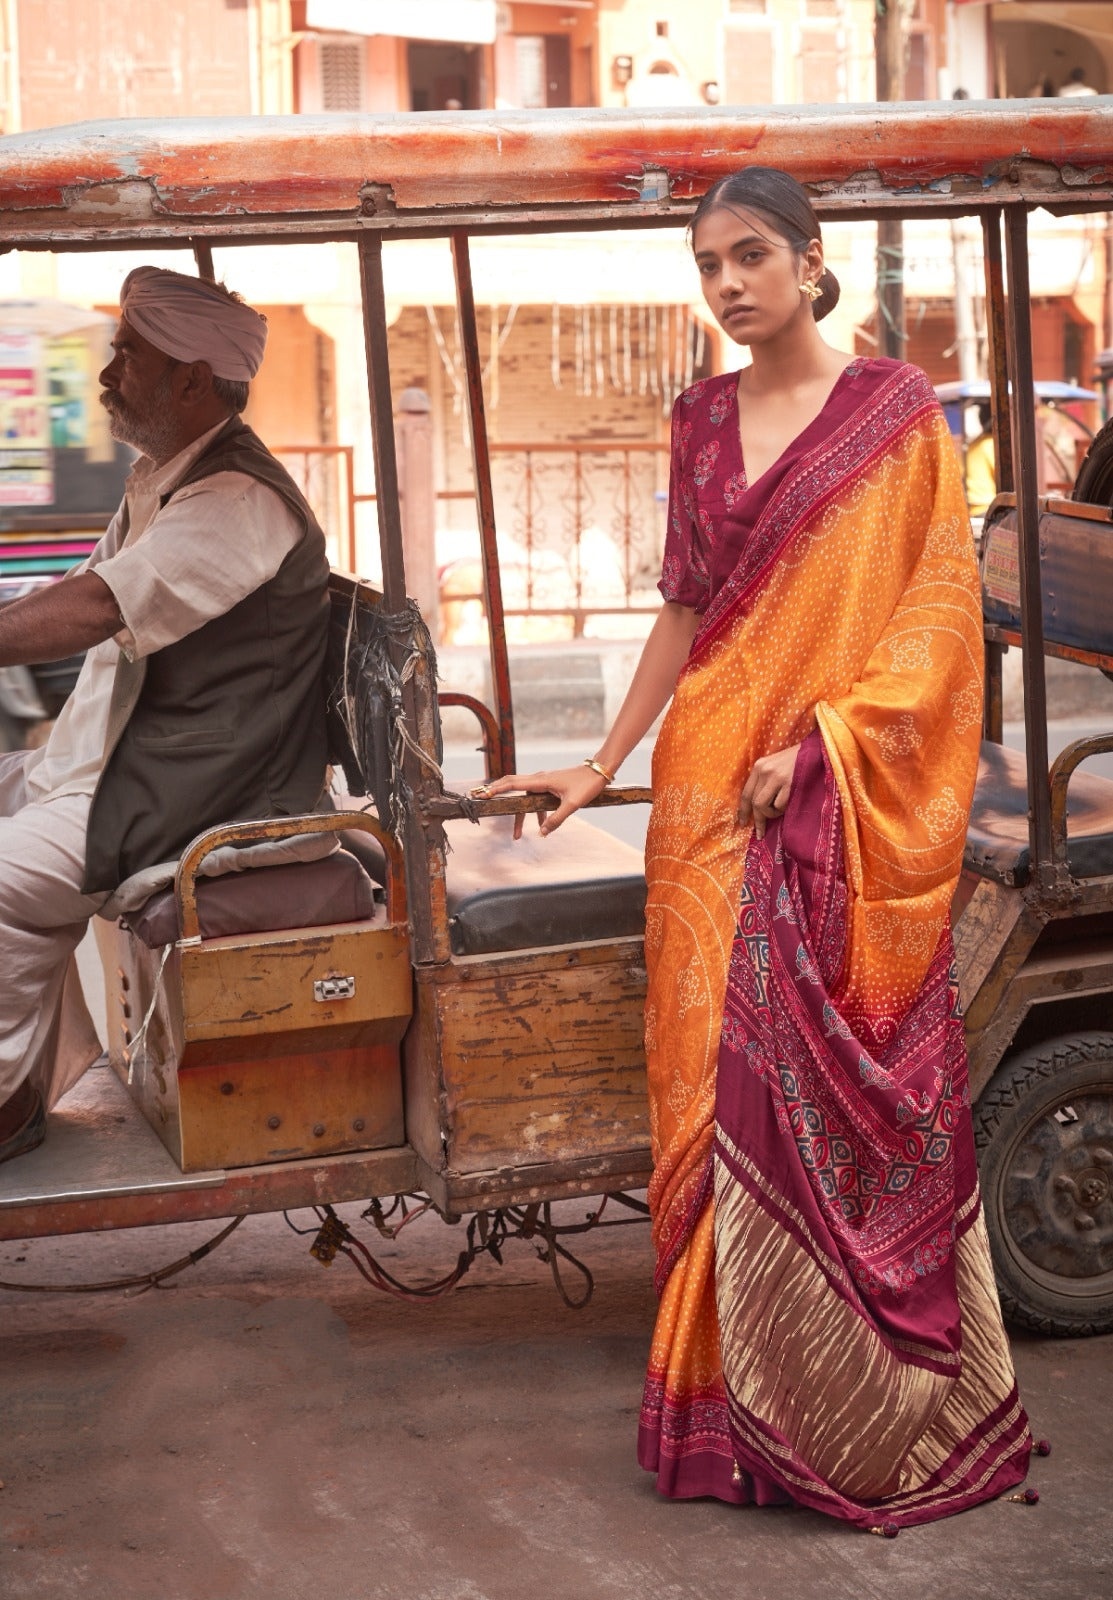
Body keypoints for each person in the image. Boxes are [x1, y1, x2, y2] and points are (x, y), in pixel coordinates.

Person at [475, 167, 1032, 1529]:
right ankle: (729, 1413)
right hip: (708, 799)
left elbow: (936, 622)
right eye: (707, 263)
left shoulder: (897, 415)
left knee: (812, 1098)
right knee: (713, 1097)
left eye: (749, 255)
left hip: (830, 795)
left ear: (809, 258)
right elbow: (682, 608)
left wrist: (831, 742)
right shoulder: (699, 420)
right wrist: (596, 767)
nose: (727, 284)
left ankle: (856, 1411)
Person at [0, 267, 330, 1165]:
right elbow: (77, 591)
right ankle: (23, 1084)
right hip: (126, 759)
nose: (108, 374)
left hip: (205, 788)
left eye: (126, 356)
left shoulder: (238, 501)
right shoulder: (164, 478)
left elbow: (100, 608)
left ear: (191, 379)